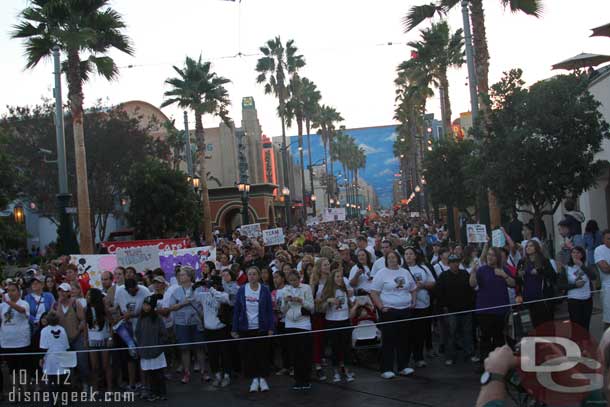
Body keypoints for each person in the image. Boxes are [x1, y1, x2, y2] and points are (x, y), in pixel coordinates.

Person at [370, 251, 417, 379]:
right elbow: (374, 292)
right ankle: (387, 368)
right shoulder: (381, 273)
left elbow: (413, 288)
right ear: (386, 260)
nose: (392, 259)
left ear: (398, 259)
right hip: (389, 310)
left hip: (405, 309)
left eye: (394, 257)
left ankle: (403, 366)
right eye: (389, 257)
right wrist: (381, 307)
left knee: (404, 339)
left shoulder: (405, 272)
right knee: (389, 339)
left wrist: (413, 301)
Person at [231, 266, 274, 393]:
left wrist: (271, 327)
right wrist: (234, 328)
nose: (252, 276)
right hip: (245, 328)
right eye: (249, 274)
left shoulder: (265, 290)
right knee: (249, 355)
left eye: (254, 274)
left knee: (262, 354)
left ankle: (263, 379)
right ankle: (254, 379)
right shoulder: (242, 290)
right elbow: (237, 310)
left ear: (259, 276)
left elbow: (269, 311)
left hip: (261, 327)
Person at [470, 247, 515, 362]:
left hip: (500, 310)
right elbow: (472, 284)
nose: (489, 257)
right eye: (488, 254)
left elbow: (513, 284)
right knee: (484, 337)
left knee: (498, 337)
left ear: (498, 257)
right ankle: (484, 363)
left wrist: (503, 275)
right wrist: (473, 271)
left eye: (493, 255)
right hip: (484, 309)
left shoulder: (504, 269)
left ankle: (499, 363)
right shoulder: (481, 270)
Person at [166, 266, 205, 384]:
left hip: (196, 322)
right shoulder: (176, 291)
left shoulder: (198, 289)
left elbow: (204, 305)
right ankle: (187, 372)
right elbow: (170, 307)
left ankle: (204, 371)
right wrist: (183, 304)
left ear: (189, 276)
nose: (180, 277)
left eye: (183, 274)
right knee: (184, 349)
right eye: (180, 275)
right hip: (181, 323)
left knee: (199, 348)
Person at [436, 254, 476, 365]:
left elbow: (471, 290)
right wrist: (443, 307)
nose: (455, 264)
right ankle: (450, 357)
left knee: (467, 333)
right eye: (452, 262)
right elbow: (439, 293)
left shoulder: (465, 274)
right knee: (451, 334)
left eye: (457, 261)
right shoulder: (443, 276)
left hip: (466, 309)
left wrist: (471, 305)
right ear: (448, 264)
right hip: (451, 310)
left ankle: (470, 354)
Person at [195, 275, 231, 387]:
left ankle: (227, 376)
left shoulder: (223, 294)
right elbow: (191, 298)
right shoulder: (203, 295)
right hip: (209, 330)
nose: (209, 286)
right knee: (212, 355)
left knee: (225, 354)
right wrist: (194, 287)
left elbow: (223, 299)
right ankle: (217, 375)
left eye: (212, 284)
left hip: (221, 329)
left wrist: (211, 288)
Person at [114, 278, 150, 389]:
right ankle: (132, 383)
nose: (133, 292)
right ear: (126, 289)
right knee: (131, 357)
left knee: (142, 356)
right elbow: (115, 308)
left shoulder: (145, 291)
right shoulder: (120, 291)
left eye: (135, 290)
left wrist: (133, 315)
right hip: (127, 329)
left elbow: (149, 310)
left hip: (141, 327)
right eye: (130, 291)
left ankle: (144, 383)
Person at [281, 270, 315, 390]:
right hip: (290, 324)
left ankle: (306, 379)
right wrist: (285, 301)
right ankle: (297, 380)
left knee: (304, 353)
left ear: (299, 278)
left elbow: (311, 306)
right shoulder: (285, 290)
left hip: (303, 324)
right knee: (294, 353)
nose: (293, 282)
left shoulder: (306, 288)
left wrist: (301, 301)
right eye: (291, 281)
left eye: (295, 280)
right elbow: (283, 310)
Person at [402, 246, 435, 368]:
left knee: (420, 333)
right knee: (408, 333)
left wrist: (423, 285)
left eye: (411, 254)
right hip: (407, 305)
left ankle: (419, 357)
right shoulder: (402, 270)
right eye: (406, 254)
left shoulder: (423, 268)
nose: (408, 256)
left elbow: (432, 283)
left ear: (415, 256)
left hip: (422, 305)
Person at [322, 268, 355, 382]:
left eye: (341, 276)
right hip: (332, 321)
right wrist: (329, 301)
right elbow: (321, 308)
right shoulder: (328, 291)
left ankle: (346, 369)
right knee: (335, 348)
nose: (340, 279)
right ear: (332, 278)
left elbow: (349, 304)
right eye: (337, 276)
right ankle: (336, 371)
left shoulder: (344, 290)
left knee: (346, 347)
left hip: (345, 320)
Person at [53, 282, 89, 389]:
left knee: (82, 363)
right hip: (62, 340)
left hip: (77, 338)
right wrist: (59, 304)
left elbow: (83, 320)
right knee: (66, 365)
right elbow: (52, 319)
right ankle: (71, 387)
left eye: (64, 291)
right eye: (60, 290)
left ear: (69, 292)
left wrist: (82, 335)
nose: (62, 293)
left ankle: (85, 384)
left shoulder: (75, 303)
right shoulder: (55, 305)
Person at [516, 240, 556, 327]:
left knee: (544, 327)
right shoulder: (521, 262)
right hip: (527, 300)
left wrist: (540, 271)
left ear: (536, 248)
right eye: (527, 246)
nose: (528, 248)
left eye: (531, 246)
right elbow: (517, 281)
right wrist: (519, 275)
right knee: (529, 328)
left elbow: (553, 276)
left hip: (542, 299)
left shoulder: (544, 261)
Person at [136, 295, 168, 401]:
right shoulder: (141, 318)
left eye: (148, 305)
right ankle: (153, 392)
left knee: (159, 373)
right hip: (145, 350)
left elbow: (164, 334)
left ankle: (162, 392)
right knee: (149, 374)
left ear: (152, 306)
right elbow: (137, 333)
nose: (145, 307)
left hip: (157, 350)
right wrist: (140, 346)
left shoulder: (158, 318)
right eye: (144, 305)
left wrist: (159, 346)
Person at [0, 280, 31, 388]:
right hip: (7, 342)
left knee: (23, 368)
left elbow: (22, 311)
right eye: (8, 291)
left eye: (13, 290)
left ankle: (25, 391)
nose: (10, 293)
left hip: (21, 342)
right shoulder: (2, 306)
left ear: (19, 292)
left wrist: (8, 302)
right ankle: (15, 392)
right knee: (11, 369)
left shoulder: (24, 303)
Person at [557, 246, 595, 331]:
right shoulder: (566, 268)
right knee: (576, 326)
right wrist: (575, 285)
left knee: (586, 325)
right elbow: (560, 285)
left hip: (587, 299)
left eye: (578, 253)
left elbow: (593, 277)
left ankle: (586, 343)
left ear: (582, 255)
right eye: (573, 252)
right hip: (574, 300)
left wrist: (581, 265)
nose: (575, 254)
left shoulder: (586, 265)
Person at [39, 311, 71, 402]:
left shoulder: (44, 330)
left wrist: (41, 358)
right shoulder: (62, 329)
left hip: (50, 358)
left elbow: (43, 347)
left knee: (52, 381)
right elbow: (66, 345)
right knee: (63, 380)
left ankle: (53, 401)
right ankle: (65, 400)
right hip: (62, 357)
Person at [85, 287, 112, 391]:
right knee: (94, 366)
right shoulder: (86, 309)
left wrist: (110, 338)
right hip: (92, 340)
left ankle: (109, 388)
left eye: (89, 295)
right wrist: (85, 339)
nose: (87, 297)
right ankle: (95, 388)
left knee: (106, 365)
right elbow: (85, 326)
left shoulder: (103, 309)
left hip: (104, 338)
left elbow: (111, 323)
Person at [595, 230, 610, 330]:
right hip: (608, 288)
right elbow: (605, 269)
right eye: (608, 238)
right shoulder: (599, 250)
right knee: (609, 320)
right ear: (603, 239)